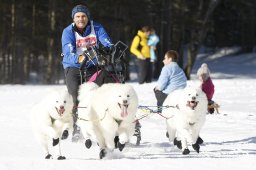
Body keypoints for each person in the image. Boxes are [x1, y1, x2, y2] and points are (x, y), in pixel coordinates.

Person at [61, 4, 113, 141]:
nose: (81, 19)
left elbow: (107, 42)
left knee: (95, 94)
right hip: (73, 67)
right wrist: (80, 58)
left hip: (92, 66)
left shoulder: (97, 27)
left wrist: (109, 50)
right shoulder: (68, 32)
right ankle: (76, 126)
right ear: (73, 18)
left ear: (87, 17)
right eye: (77, 16)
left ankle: (98, 124)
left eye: (83, 16)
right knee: (74, 96)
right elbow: (68, 52)